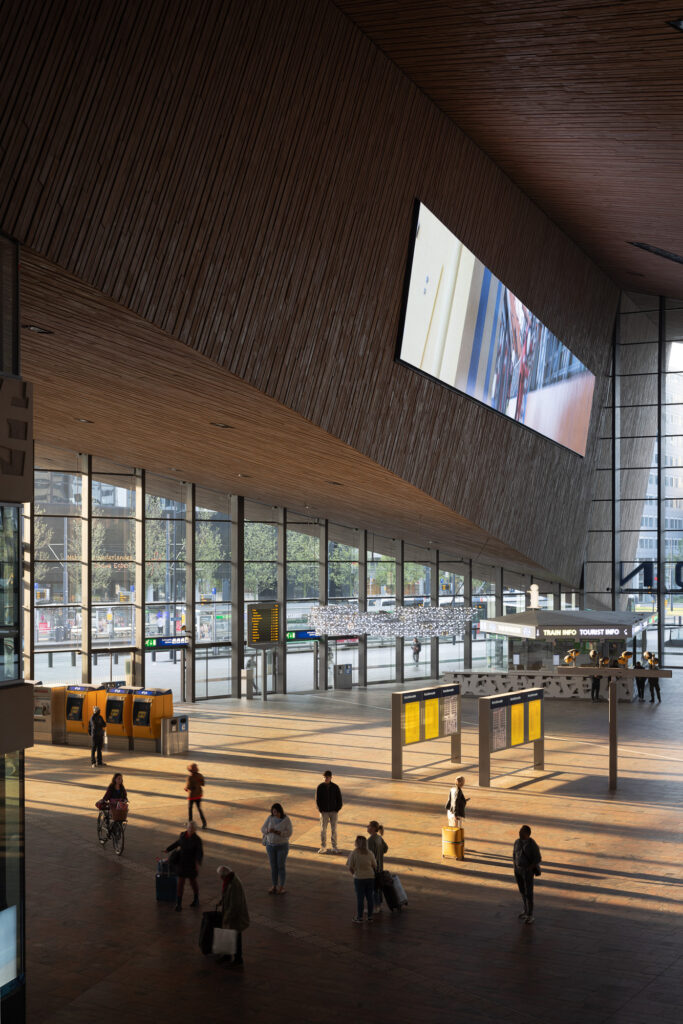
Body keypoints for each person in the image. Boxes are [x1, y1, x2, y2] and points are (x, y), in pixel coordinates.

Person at [166, 820, 203, 911]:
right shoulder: (183, 835)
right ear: (187, 828)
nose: (190, 829)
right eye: (189, 827)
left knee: (192, 882)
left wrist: (197, 863)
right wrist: (168, 849)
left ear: (195, 830)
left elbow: (199, 852)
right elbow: (177, 843)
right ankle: (179, 904)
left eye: (192, 828)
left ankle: (196, 899)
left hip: (191, 864)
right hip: (182, 863)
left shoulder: (197, 840)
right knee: (180, 883)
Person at [216, 865, 250, 967]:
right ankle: (227, 955)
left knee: (236, 937)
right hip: (231, 913)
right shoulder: (229, 880)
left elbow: (235, 904)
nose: (220, 879)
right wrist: (221, 902)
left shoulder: (234, 884)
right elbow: (226, 894)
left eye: (220, 877)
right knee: (228, 934)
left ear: (223, 875)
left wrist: (227, 917)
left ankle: (238, 959)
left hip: (235, 916)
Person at [261, 802, 293, 894]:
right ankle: (274, 885)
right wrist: (268, 830)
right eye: (273, 812)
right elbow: (263, 829)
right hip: (270, 846)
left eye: (276, 812)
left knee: (280, 866)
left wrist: (278, 833)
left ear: (280, 811)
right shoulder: (270, 818)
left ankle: (282, 886)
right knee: (273, 866)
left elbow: (289, 832)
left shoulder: (286, 820)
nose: (275, 814)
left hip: (282, 846)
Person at [513, 825, 542, 924]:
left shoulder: (532, 844)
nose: (519, 833)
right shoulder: (517, 842)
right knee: (522, 891)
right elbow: (514, 855)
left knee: (528, 893)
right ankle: (525, 910)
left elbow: (538, 858)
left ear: (527, 834)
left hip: (527, 872)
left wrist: (529, 868)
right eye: (520, 831)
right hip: (518, 871)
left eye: (522, 832)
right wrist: (515, 867)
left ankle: (530, 915)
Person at [347, 835, 377, 923]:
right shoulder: (370, 853)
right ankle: (370, 917)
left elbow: (350, 867)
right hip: (370, 877)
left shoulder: (354, 853)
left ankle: (359, 917)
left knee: (360, 898)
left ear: (356, 843)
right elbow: (374, 865)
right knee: (370, 897)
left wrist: (354, 875)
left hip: (359, 878)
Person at [316, 769, 343, 854]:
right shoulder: (320, 787)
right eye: (324, 777)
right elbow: (317, 800)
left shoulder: (335, 787)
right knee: (323, 830)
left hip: (333, 812)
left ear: (331, 777)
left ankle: (334, 847)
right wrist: (320, 809)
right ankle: (323, 847)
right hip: (324, 812)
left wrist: (337, 809)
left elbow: (339, 799)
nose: (326, 779)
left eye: (327, 777)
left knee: (334, 830)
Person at [367, 821, 388, 912]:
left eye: (368, 826)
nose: (367, 827)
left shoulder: (371, 840)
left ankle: (375, 907)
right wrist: (379, 853)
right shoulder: (379, 838)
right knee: (378, 887)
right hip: (380, 866)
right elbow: (386, 848)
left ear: (373, 828)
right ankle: (379, 905)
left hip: (374, 868)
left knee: (373, 888)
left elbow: (370, 855)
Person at [185, 763, 207, 829]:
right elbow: (203, 784)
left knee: (190, 809)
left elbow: (188, 787)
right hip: (198, 795)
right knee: (199, 809)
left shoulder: (189, 777)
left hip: (192, 796)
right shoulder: (200, 775)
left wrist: (186, 788)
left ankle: (190, 823)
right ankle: (204, 823)